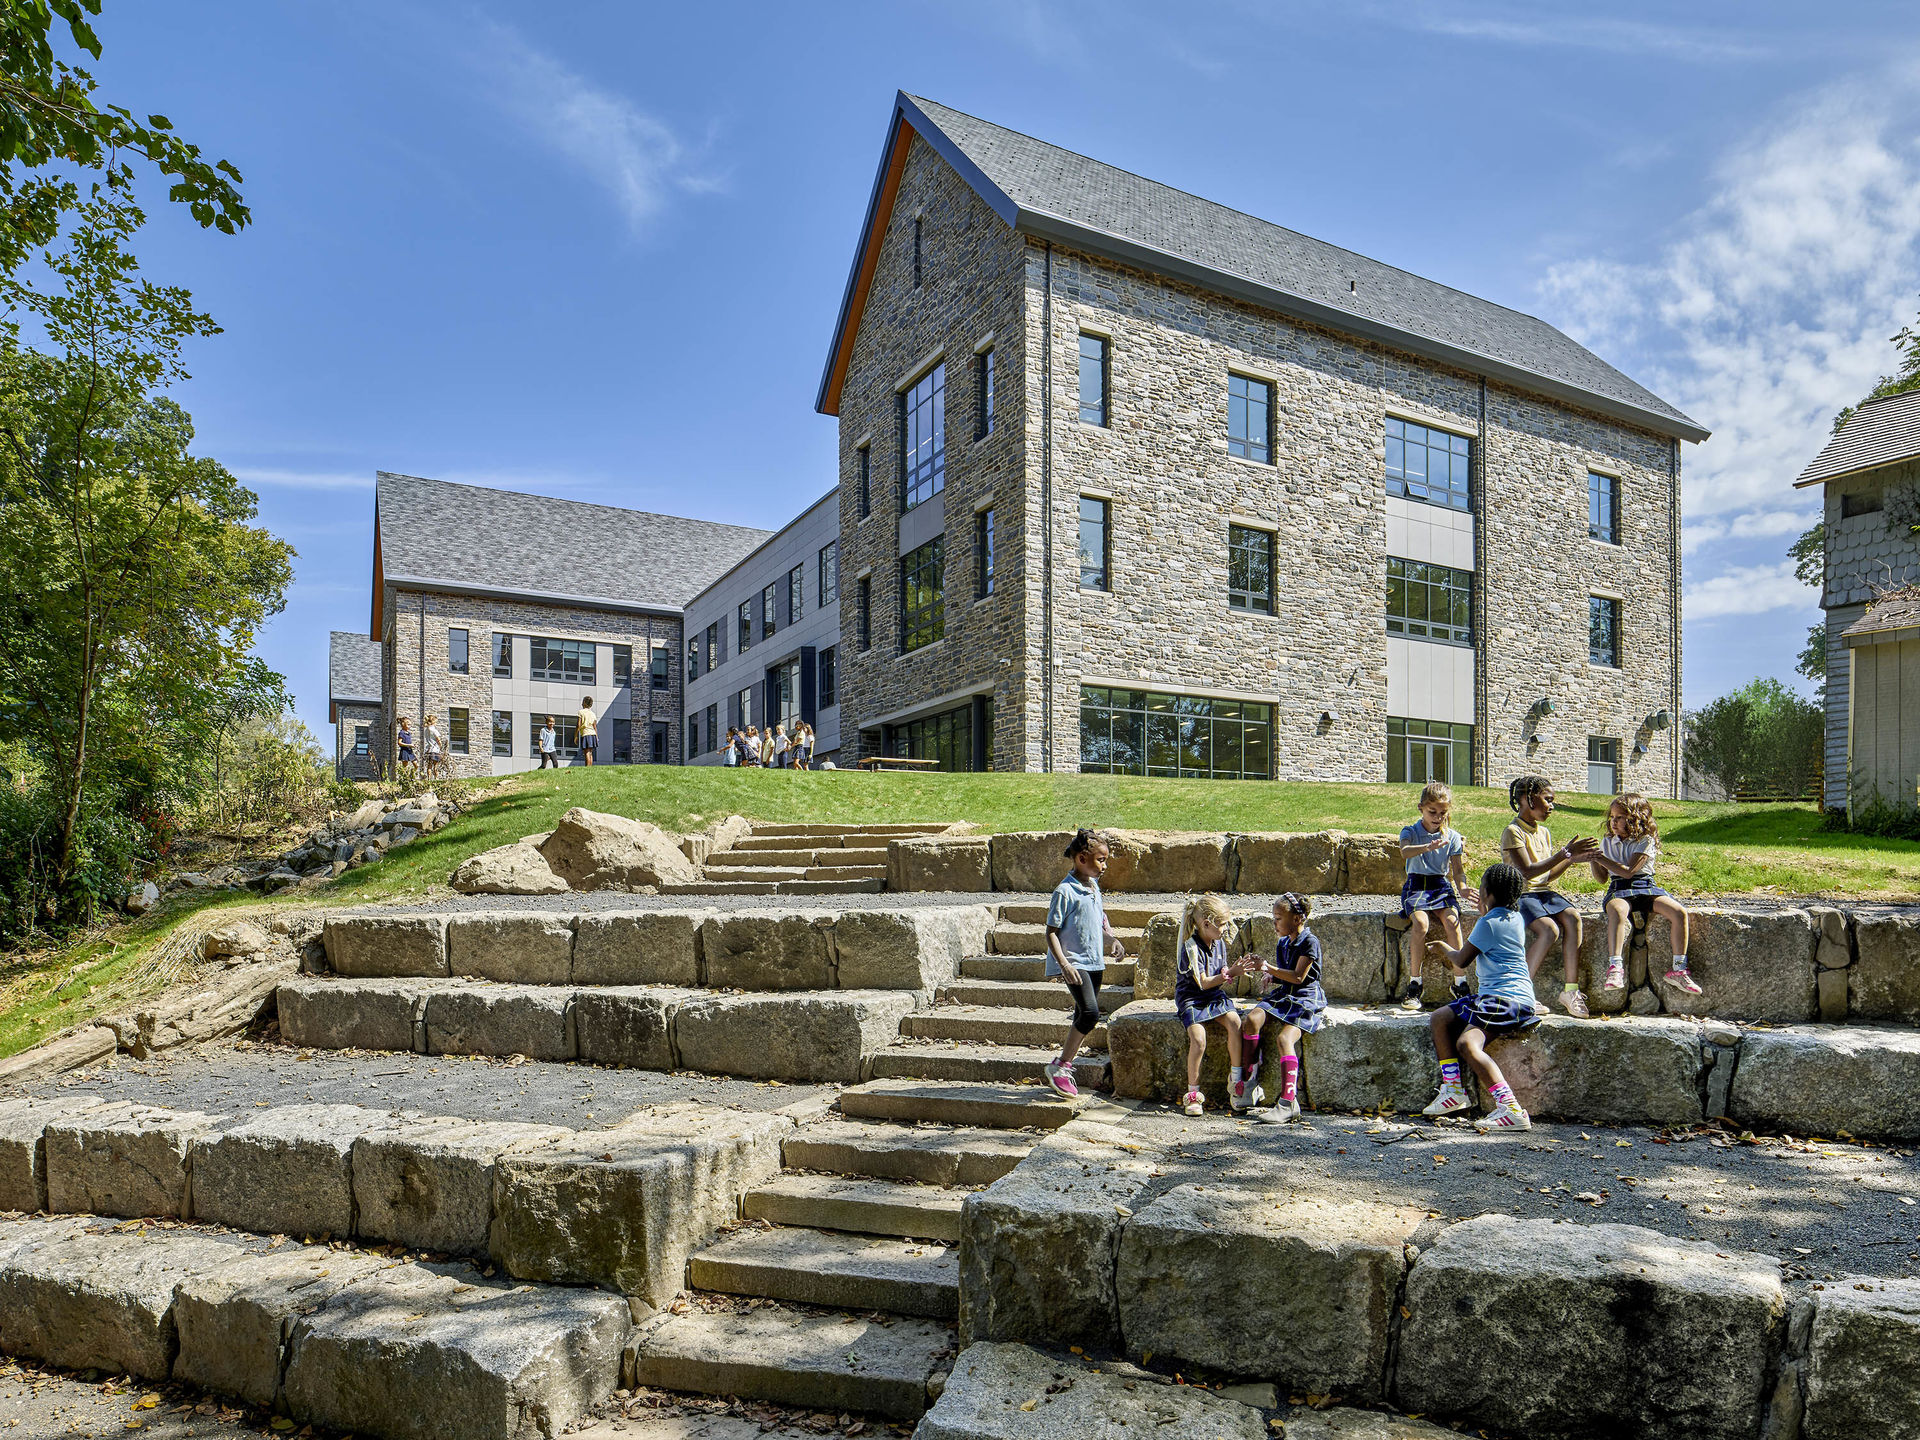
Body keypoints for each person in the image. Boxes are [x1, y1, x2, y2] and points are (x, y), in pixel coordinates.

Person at [1423, 862, 1540, 1132]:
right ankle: (1453, 1090)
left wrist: (1443, 947)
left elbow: (1461, 960)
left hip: (1506, 999)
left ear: (1486, 892)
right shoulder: (1514, 917)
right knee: (1441, 1018)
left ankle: (1510, 1108)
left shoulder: (1489, 923)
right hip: (1498, 996)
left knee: (1467, 1043)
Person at [1501, 775, 1598, 1018]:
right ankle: (1520, 991)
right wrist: (1565, 852)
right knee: (1548, 930)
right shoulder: (1512, 831)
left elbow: (1546, 875)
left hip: (1542, 893)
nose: (1552, 806)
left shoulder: (1543, 832)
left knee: (1573, 917)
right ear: (1526, 799)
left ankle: (1571, 991)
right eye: (1547, 800)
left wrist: (1570, 859)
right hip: (1521, 894)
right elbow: (1527, 871)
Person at [1043, 829, 1127, 1099]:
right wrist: (1064, 965)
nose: (1105, 865)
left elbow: (1097, 921)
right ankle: (1062, 1066)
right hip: (1075, 962)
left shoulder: (1093, 886)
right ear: (1081, 858)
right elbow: (1051, 932)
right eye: (1101, 860)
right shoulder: (1064, 891)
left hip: (1094, 961)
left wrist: (1111, 939)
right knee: (1090, 1014)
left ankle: (1061, 1066)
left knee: (1084, 1014)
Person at [1591, 792, 1699, 996]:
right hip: (1619, 888)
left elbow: (1629, 871)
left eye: (1619, 818)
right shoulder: (1607, 841)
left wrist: (1600, 858)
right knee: (1617, 910)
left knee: (1678, 912)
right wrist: (1593, 858)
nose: (1613, 822)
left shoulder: (1645, 840)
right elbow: (1602, 878)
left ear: (1635, 818)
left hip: (1645, 886)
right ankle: (1615, 967)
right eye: (1612, 817)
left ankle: (1679, 968)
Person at [1242, 893, 1328, 1123]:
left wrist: (1267, 966)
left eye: (1279, 918)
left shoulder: (1310, 942)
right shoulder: (1283, 942)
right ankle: (1250, 1082)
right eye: (1274, 917)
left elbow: (1299, 977)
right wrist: (1272, 975)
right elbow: (1286, 975)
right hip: (1285, 995)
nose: (1274, 923)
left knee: (1283, 1040)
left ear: (1297, 918)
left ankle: (1288, 1102)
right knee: (1251, 1020)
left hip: (1305, 998)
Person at [1398, 782, 1477, 1011]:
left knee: (1453, 923)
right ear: (1421, 808)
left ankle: (1460, 982)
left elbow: (1458, 870)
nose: (1437, 817)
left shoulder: (1452, 836)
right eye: (1432, 812)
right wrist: (1427, 847)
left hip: (1440, 885)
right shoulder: (1410, 831)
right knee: (1421, 924)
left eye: (1443, 813)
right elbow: (1404, 852)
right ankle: (1415, 984)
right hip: (1416, 884)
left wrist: (1462, 887)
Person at [1172, 894, 1248, 1117]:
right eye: (1222, 924)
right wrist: (1230, 974)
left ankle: (1236, 1082)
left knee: (1235, 1021)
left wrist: (1230, 971)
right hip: (1192, 998)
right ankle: (1193, 1093)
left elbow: (1219, 974)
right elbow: (1203, 982)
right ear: (1207, 924)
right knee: (1198, 1038)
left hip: (1213, 995)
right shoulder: (1191, 948)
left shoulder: (1219, 943)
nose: (1225, 928)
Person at [578, 697, 598, 767]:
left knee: (586, 751)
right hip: (593, 734)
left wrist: (575, 735)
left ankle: (587, 767)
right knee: (590, 752)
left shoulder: (581, 712)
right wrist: (597, 737)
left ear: (584, 703)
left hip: (585, 733)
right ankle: (590, 767)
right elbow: (595, 726)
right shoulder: (593, 714)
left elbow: (578, 724)